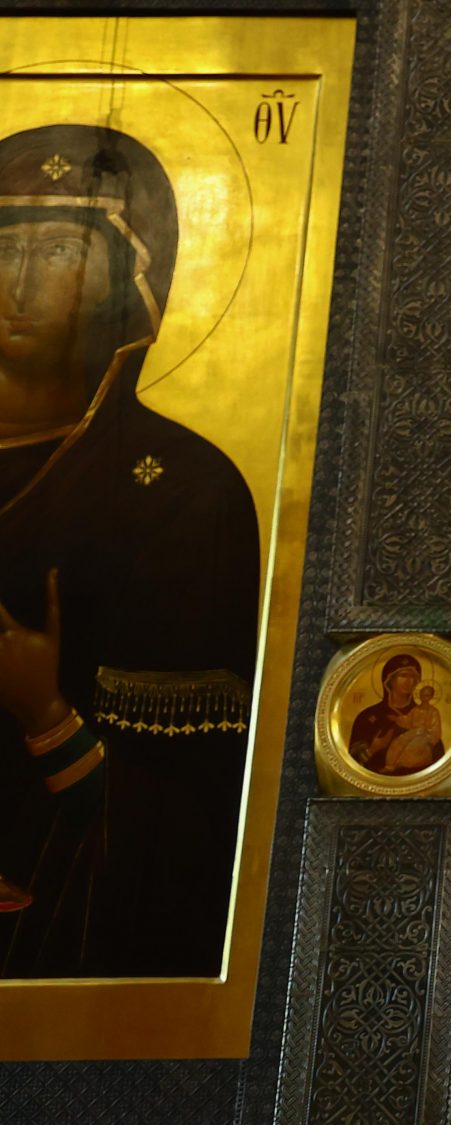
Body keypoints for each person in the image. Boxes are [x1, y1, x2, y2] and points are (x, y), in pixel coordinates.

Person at [0, 124, 260, 980]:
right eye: (5, 248)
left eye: (60, 251)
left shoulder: (185, 492)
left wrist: (45, 712)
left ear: (132, 279)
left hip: (59, 941)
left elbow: (196, 819)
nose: (20, 283)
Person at [348, 653, 445, 777]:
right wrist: (372, 749)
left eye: (413, 677)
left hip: (420, 780)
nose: (409, 681)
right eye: (403, 675)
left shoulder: (428, 712)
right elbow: (351, 763)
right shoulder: (367, 717)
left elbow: (438, 756)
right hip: (377, 782)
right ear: (389, 680)